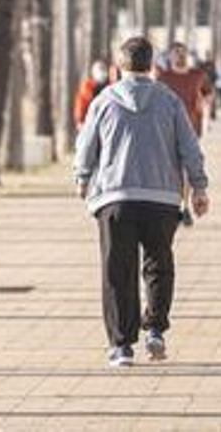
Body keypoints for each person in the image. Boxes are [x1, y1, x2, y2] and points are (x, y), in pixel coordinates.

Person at [74, 36, 209, 369]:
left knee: (117, 270)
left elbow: (86, 145)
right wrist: (199, 187)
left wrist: (82, 177)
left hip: (115, 198)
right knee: (159, 264)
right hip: (163, 198)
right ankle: (156, 330)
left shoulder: (104, 101)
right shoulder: (170, 100)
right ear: (151, 65)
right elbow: (189, 147)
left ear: (119, 66)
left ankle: (121, 345)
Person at [157, 42, 213, 226]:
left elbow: (208, 94)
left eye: (183, 52)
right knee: (171, 168)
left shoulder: (198, 75)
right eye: (176, 53)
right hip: (167, 129)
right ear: (170, 56)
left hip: (191, 128)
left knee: (188, 168)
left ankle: (184, 207)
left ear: (187, 54)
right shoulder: (163, 77)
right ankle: (171, 203)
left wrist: (205, 114)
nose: (180, 56)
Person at [73, 60, 112, 129]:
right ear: (94, 73)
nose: (102, 73)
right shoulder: (87, 87)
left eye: (103, 69)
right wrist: (80, 120)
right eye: (99, 70)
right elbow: (81, 104)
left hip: (107, 121)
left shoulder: (111, 86)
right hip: (91, 122)